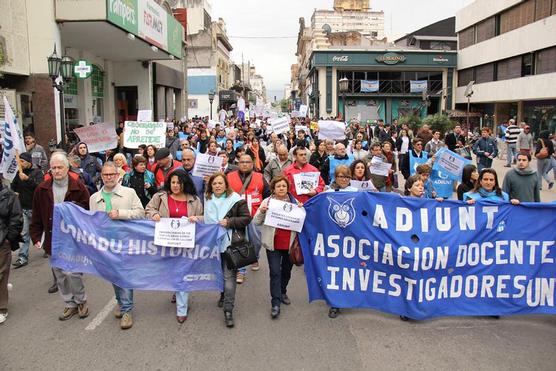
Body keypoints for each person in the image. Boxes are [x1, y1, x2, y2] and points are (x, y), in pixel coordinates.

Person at [30, 152, 90, 318]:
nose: (56, 171)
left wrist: (72, 208)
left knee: (73, 272)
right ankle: (69, 303)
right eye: (53, 168)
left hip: (72, 238)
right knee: (60, 274)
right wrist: (35, 236)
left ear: (67, 168)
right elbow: (36, 216)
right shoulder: (41, 190)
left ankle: (81, 300)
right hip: (52, 238)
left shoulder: (78, 187)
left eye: (60, 167)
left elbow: (87, 210)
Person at [191, 172, 250, 328]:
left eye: (220, 183)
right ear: (211, 186)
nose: (217, 186)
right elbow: (209, 220)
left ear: (226, 185)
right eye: (214, 183)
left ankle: (228, 310)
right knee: (220, 273)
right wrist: (197, 218)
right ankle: (223, 295)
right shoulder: (208, 200)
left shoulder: (236, 200)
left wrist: (229, 222)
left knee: (229, 277)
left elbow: (246, 218)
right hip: (213, 245)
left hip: (231, 245)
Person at [90, 162, 145, 329]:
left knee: (124, 275)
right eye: (106, 175)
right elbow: (92, 222)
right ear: (101, 176)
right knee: (114, 276)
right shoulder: (94, 198)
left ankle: (127, 310)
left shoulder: (129, 193)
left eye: (112, 174)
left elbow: (141, 213)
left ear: (117, 175)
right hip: (105, 245)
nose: (109, 177)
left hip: (125, 242)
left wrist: (121, 214)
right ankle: (121, 302)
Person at [146, 169, 203, 323]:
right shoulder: (160, 197)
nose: (176, 185)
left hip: (186, 244)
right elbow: (149, 209)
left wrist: (196, 218)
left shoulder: (194, 200)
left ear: (185, 183)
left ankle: (181, 309)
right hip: (166, 244)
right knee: (171, 272)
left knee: (182, 273)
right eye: (173, 182)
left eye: (179, 182)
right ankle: (176, 288)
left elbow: (204, 218)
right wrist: (154, 215)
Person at [253, 175, 301, 319]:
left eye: (284, 186)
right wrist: (262, 210)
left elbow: (302, 223)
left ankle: (283, 291)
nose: (281, 188)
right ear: (273, 188)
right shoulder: (267, 202)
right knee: (275, 272)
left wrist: (301, 211)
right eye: (278, 186)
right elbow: (256, 222)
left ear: (288, 188)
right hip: (273, 244)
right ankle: (275, 303)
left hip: (290, 245)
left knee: (286, 271)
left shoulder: (295, 202)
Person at [227, 153, 270, 281]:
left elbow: (268, 195)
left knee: (256, 242)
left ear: (252, 164)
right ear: (238, 163)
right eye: (242, 162)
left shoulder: (260, 177)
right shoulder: (229, 177)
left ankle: (254, 257)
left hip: (255, 216)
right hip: (238, 217)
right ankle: (241, 270)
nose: (244, 164)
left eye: (247, 162)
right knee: (239, 242)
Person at [10, 152, 44, 268]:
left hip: (37, 209)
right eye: (19, 161)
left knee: (42, 230)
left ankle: (47, 248)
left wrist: (28, 179)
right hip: (23, 208)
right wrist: (14, 192)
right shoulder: (18, 173)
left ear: (29, 162)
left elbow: (40, 187)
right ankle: (22, 257)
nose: (20, 163)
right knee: (24, 233)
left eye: (22, 161)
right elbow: (13, 186)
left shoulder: (37, 172)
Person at [0, 180, 23, 324]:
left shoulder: (8, 196)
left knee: (1, 274)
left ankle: (2, 308)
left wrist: (8, 239)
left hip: (2, 242)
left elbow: (16, 218)